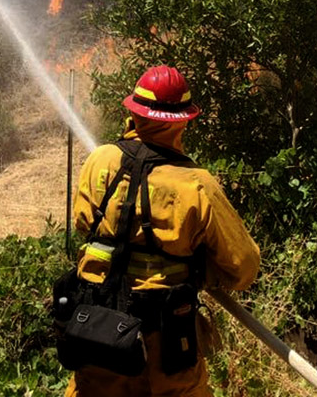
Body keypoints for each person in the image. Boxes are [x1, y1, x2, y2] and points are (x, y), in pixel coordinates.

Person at [65, 65, 260, 397]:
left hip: (95, 333)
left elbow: (84, 224)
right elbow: (243, 268)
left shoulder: (99, 160)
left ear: (133, 112)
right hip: (161, 345)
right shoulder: (196, 185)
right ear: (183, 120)